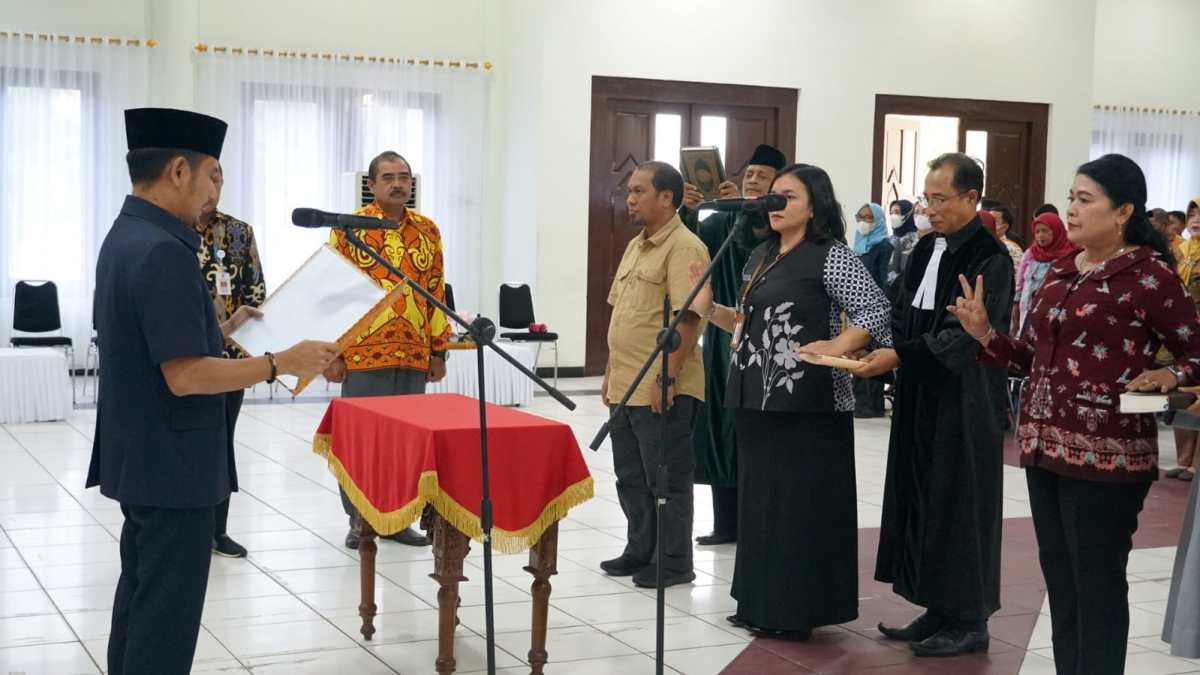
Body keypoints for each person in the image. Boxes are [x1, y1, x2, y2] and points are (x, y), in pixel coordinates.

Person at [90, 107, 338, 675]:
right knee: (167, 617)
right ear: (179, 171)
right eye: (211, 176)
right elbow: (185, 375)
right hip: (174, 465)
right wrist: (281, 361)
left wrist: (225, 329)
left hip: (144, 457)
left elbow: (153, 341)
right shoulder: (165, 249)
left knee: (141, 595)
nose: (213, 193)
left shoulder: (128, 234)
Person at [951, 154, 1200, 675]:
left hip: (1107, 458)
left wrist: (1170, 375)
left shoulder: (1149, 275)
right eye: (1071, 198)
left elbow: (1194, 348)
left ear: (1123, 210)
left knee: (1097, 584)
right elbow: (1031, 357)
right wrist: (985, 337)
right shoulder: (1063, 269)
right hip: (1042, 449)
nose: (1072, 210)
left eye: (1085, 201)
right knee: (1062, 583)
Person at [688, 163, 892, 639]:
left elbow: (876, 308)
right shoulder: (761, 255)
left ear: (814, 206)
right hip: (757, 399)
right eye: (773, 196)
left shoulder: (831, 255)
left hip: (811, 404)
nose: (775, 204)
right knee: (761, 505)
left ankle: (796, 609)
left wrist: (837, 346)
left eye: (788, 196)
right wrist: (708, 310)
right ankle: (761, 601)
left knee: (797, 508)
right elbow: (745, 324)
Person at [856, 153, 1014, 657]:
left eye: (941, 199)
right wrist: (873, 345)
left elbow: (964, 339)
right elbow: (903, 308)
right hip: (920, 392)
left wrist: (897, 355)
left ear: (972, 198)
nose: (930, 208)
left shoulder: (990, 258)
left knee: (960, 503)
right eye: (928, 197)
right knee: (922, 493)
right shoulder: (927, 250)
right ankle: (937, 605)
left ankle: (970, 619)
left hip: (964, 399)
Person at [324, 150, 451, 549]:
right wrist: (333, 353)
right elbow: (332, 295)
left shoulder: (428, 230)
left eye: (404, 177)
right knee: (363, 442)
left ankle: (397, 519)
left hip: (413, 355)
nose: (398, 183)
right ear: (373, 184)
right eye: (389, 177)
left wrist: (438, 350)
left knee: (405, 442)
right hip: (363, 355)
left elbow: (435, 290)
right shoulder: (348, 230)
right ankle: (359, 519)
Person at [601, 161, 709, 589]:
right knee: (630, 475)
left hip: (662, 386)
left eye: (639, 191)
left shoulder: (686, 247)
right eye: (629, 190)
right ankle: (640, 549)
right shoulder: (637, 245)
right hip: (626, 384)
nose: (630, 198)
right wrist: (610, 372)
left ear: (667, 197)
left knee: (666, 479)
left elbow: (688, 319)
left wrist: (667, 378)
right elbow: (621, 315)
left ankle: (674, 561)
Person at [679, 142, 786, 546]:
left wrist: (745, 210)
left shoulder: (773, 223)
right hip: (721, 340)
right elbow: (693, 245)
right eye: (749, 174)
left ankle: (754, 523)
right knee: (718, 431)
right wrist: (690, 210)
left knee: (748, 434)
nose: (752, 179)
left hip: (760, 342)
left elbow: (749, 250)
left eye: (762, 175)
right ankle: (725, 524)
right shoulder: (724, 220)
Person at [195, 163, 265, 559]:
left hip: (228, 362)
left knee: (221, 442)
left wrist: (251, 357)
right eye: (208, 178)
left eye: (220, 178)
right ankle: (188, 527)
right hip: (180, 360)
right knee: (187, 444)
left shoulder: (238, 232)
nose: (214, 186)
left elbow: (255, 293)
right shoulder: (168, 230)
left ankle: (217, 530)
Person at [1165, 198, 1200, 482]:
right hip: (1185, 331)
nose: (1195, 219)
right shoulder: (1180, 250)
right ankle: (1183, 460)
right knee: (1184, 394)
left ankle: (1196, 465)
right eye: (1192, 214)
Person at [852, 202, 893, 418]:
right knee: (857, 353)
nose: (863, 222)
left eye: (869, 218)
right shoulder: (858, 245)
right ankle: (860, 402)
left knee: (872, 354)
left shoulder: (884, 246)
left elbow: (885, 280)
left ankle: (871, 404)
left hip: (875, 310)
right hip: (856, 310)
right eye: (861, 217)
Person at [1015, 213, 1077, 334]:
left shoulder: (1068, 256)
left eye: (1045, 230)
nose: (1040, 235)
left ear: (1056, 231)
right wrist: (1015, 305)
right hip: (1026, 308)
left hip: (1052, 310)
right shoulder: (1030, 253)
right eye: (1037, 232)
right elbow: (1020, 281)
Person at [887, 199, 933, 292]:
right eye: (916, 212)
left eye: (924, 212)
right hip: (903, 292)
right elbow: (893, 270)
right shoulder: (902, 240)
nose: (919, 216)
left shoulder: (939, 243)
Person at [990, 204, 1024, 270]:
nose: (988, 224)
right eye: (988, 220)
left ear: (1005, 227)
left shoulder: (1012, 249)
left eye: (994, 221)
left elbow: (1017, 277)